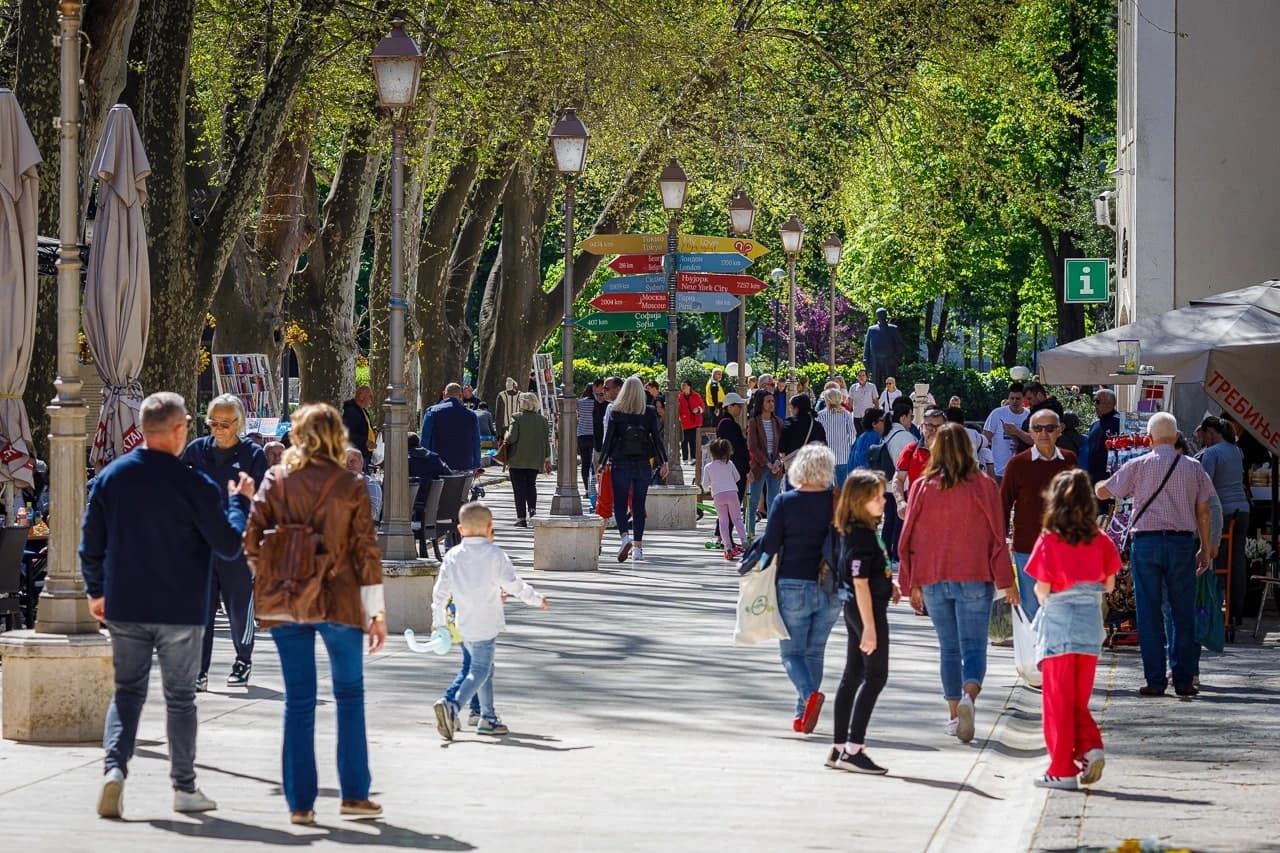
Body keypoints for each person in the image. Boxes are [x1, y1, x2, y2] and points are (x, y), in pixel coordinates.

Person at [83, 392, 256, 819]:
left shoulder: (113, 477)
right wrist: (239, 502)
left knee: (127, 694)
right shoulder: (193, 483)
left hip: (125, 603)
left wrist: (96, 591)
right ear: (179, 431)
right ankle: (184, 787)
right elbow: (228, 546)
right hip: (181, 608)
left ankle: (114, 771)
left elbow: (90, 544)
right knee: (180, 700)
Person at [243, 402, 387, 824]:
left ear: (297, 435)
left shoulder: (275, 479)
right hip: (339, 599)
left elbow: (251, 541)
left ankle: (301, 805)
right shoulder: (350, 484)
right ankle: (354, 795)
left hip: (288, 600)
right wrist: (376, 613)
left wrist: (277, 573)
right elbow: (366, 553)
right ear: (336, 437)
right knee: (349, 696)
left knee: (299, 701)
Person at [897, 423, 1017, 743]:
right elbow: (997, 537)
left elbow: (907, 536)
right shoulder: (984, 485)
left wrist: (910, 582)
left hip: (934, 576)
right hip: (976, 575)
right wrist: (1007, 581)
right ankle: (968, 698)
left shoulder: (923, 486)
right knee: (974, 647)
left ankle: (953, 716)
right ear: (969, 449)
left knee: (948, 648)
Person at [1095, 412, 1215, 697]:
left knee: (1148, 613)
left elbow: (1105, 492)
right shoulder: (1193, 467)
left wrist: (1101, 484)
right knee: (1182, 611)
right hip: (1182, 544)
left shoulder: (1137, 465)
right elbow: (1204, 510)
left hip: (1146, 545)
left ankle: (1155, 680)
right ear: (1175, 438)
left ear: (1149, 439)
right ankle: (1184, 679)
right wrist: (1206, 547)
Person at [1025, 469, 1120, 790]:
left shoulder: (1050, 540)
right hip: (1091, 628)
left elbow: (1042, 587)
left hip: (1058, 627)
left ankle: (1062, 767)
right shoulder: (1102, 540)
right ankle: (1089, 747)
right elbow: (1109, 584)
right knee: (1077, 701)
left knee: (1057, 702)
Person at [431, 502, 548, 739]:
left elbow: (440, 593)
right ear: (489, 528)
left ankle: (487, 716)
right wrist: (536, 599)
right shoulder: (495, 555)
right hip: (486, 623)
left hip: (463, 622)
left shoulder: (452, 556)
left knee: (484, 669)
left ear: (460, 529)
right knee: (480, 670)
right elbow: (513, 585)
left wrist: (439, 620)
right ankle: (452, 705)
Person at [181, 393, 268, 690]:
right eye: (213, 423)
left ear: (239, 423)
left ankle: (243, 660)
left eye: (225, 424)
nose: (218, 429)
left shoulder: (253, 456)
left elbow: (260, 501)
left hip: (238, 546)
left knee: (239, 606)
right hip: (202, 545)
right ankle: (199, 670)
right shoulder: (195, 452)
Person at [756, 444, 842, 734]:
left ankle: (808, 696)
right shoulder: (836, 502)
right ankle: (802, 714)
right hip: (831, 587)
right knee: (814, 653)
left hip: (793, 583)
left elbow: (769, 545)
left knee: (791, 654)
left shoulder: (785, 501)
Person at [827, 469, 899, 775]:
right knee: (875, 676)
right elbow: (859, 581)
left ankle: (839, 746)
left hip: (862, 608)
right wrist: (869, 627)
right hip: (865, 611)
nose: (883, 501)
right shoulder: (860, 535)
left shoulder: (864, 530)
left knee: (853, 675)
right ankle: (854, 748)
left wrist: (889, 582)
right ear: (860, 501)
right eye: (877, 497)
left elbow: (869, 571)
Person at [1000, 409, 1078, 619]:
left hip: (1063, 547)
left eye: (1050, 428)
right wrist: (1001, 543)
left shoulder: (1069, 460)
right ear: (1030, 432)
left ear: (1059, 431)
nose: (1044, 433)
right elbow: (1003, 505)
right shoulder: (1017, 464)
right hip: (1027, 547)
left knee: (1061, 610)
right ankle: (1037, 653)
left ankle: (1055, 653)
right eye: (1038, 428)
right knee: (1032, 611)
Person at [600, 376, 668, 562]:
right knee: (638, 505)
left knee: (620, 504)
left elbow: (609, 440)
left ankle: (625, 538)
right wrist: (664, 461)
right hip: (642, 464)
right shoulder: (650, 412)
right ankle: (638, 548)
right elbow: (657, 438)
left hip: (620, 464)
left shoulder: (615, 412)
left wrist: (602, 462)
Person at [1195, 416, 1249, 627]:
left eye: (1204, 434)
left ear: (1210, 432)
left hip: (1222, 511)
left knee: (1215, 561)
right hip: (1242, 509)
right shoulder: (1236, 450)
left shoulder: (1212, 453)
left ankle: (1214, 610)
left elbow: (1205, 485)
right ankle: (1236, 611)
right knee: (1237, 562)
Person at [504, 393, 552, 528]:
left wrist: (507, 434)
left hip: (517, 459)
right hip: (535, 459)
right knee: (531, 485)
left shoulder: (517, 417)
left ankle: (521, 518)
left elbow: (512, 438)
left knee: (518, 489)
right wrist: (547, 458)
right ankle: (533, 510)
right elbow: (545, 441)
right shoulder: (542, 420)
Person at [891, 408, 945, 519]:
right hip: (916, 515)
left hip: (945, 517)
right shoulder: (910, 450)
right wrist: (900, 502)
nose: (933, 430)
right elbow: (898, 479)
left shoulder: (954, 453)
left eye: (938, 426)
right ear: (922, 426)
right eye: (929, 426)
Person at [746, 389, 784, 540]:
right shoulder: (754, 422)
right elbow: (752, 447)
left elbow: (782, 444)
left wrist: (778, 461)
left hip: (775, 464)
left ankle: (771, 531)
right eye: (768, 401)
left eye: (772, 401)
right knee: (754, 499)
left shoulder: (778, 422)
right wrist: (767, 463)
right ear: (761, 404)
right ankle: (750, 531)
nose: (771, 404)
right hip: (760, 465)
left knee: (773, 499)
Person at [420, 383, 481, 473]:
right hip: (463, 465)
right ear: (460, 396)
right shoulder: (471, 415)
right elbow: (476, 441)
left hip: (438, 464)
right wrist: (476, 465)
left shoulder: (432, 412)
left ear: (444, 394)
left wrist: (423, 461)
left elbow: (425, 439)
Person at [705, 438, 746, 559]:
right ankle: (744, 540)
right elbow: (738, 478)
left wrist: (711, 486)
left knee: (723, 521)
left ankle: (728, 547)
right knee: (737, 519)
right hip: (732, 493)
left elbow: (704, 483)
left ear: (712, 452)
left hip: (718, 495)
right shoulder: (730, 464)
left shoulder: (708, 467)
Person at [779, 394, 827, 489]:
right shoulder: (817, 426)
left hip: (794, 467)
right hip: (813, 468)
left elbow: (781, 447)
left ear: (796, 408)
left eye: (791, 407)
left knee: (793, 499)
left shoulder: (789, 423)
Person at [982, 382, 1028, 483]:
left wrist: (1020, 442)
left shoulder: (1028, 415)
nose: (1014, 402)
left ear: (1024, 399)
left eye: (1018, 399)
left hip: (1022, 471)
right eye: (1012, 398)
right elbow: (985, 439)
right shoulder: (997, 414)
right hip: (999, 471)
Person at [715, 391, 751, 509]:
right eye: (738, 406)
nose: (740, 409)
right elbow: (738, 448)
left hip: (729, 469)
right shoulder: (728, 424)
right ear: (730, 406)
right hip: (735, 469)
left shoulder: (724, 423)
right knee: (732, 508)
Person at [818, 387, 857, 488]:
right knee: (842, 486)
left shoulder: (820, 415)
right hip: (843, 455)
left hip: (826, 455)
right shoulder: (846, 414)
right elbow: (852, 434)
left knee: (827, 488)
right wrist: (848, 446)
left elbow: (817, 436)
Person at [1081, 389, 1120, 483]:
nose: (1095, 405)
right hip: (1093, 478)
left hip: (1111, 478)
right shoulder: (1095, 424)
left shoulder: (1119, 422)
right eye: (1094, 401)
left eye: (1097, 401)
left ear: (1110, 403)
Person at [863, 308, 905, 390]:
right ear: (877, 316)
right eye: (879, 315)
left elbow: (900, 345)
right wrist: (865, 358)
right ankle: (876, 401)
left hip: (889, 360)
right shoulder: (871, 329)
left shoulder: (893, 329)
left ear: (886, 316)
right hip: (875, 360)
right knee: (875, 383)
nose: (881, 317)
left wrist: (896, 358)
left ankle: (891, 400)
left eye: (883, 314)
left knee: (890, 382)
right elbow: (867, 345)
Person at [945, 407, 994, 476]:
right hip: (971, 477)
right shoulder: (973, 433)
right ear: (963, 420)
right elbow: (985, 442)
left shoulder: (941, 435)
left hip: (950, 477)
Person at [342, 386, 377, 472]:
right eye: (370, 396)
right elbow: (348, 434)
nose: (371, 400)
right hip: (356, 455)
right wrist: (364, 441)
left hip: (364, 454)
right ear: (361, 396)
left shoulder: (362, 410)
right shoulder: (351, 411)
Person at [344, 447, 382, 523]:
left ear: (361, 463)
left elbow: (372, 514)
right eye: (344, 463)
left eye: (352, 461)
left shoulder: (370, 485)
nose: (348, 465)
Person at [575, 383, 600, 496]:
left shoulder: (580, 402)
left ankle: (586, 489)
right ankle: (594, 488)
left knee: (585, 463)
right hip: (594, 434)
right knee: (594, 463)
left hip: (582, 434)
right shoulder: (597, 403)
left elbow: (577, 414)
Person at [677, 380, 705, 463]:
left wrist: (698, 410)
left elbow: (702, 406)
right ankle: (685, 459)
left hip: (695, 421)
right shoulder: (679, 397)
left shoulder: (696, 395)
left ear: (689, 386)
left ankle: (694, 458)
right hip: (684, 422)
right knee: (684, 441)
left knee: (693, 441)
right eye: (682, 385)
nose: (683, 387)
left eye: (684, 385)